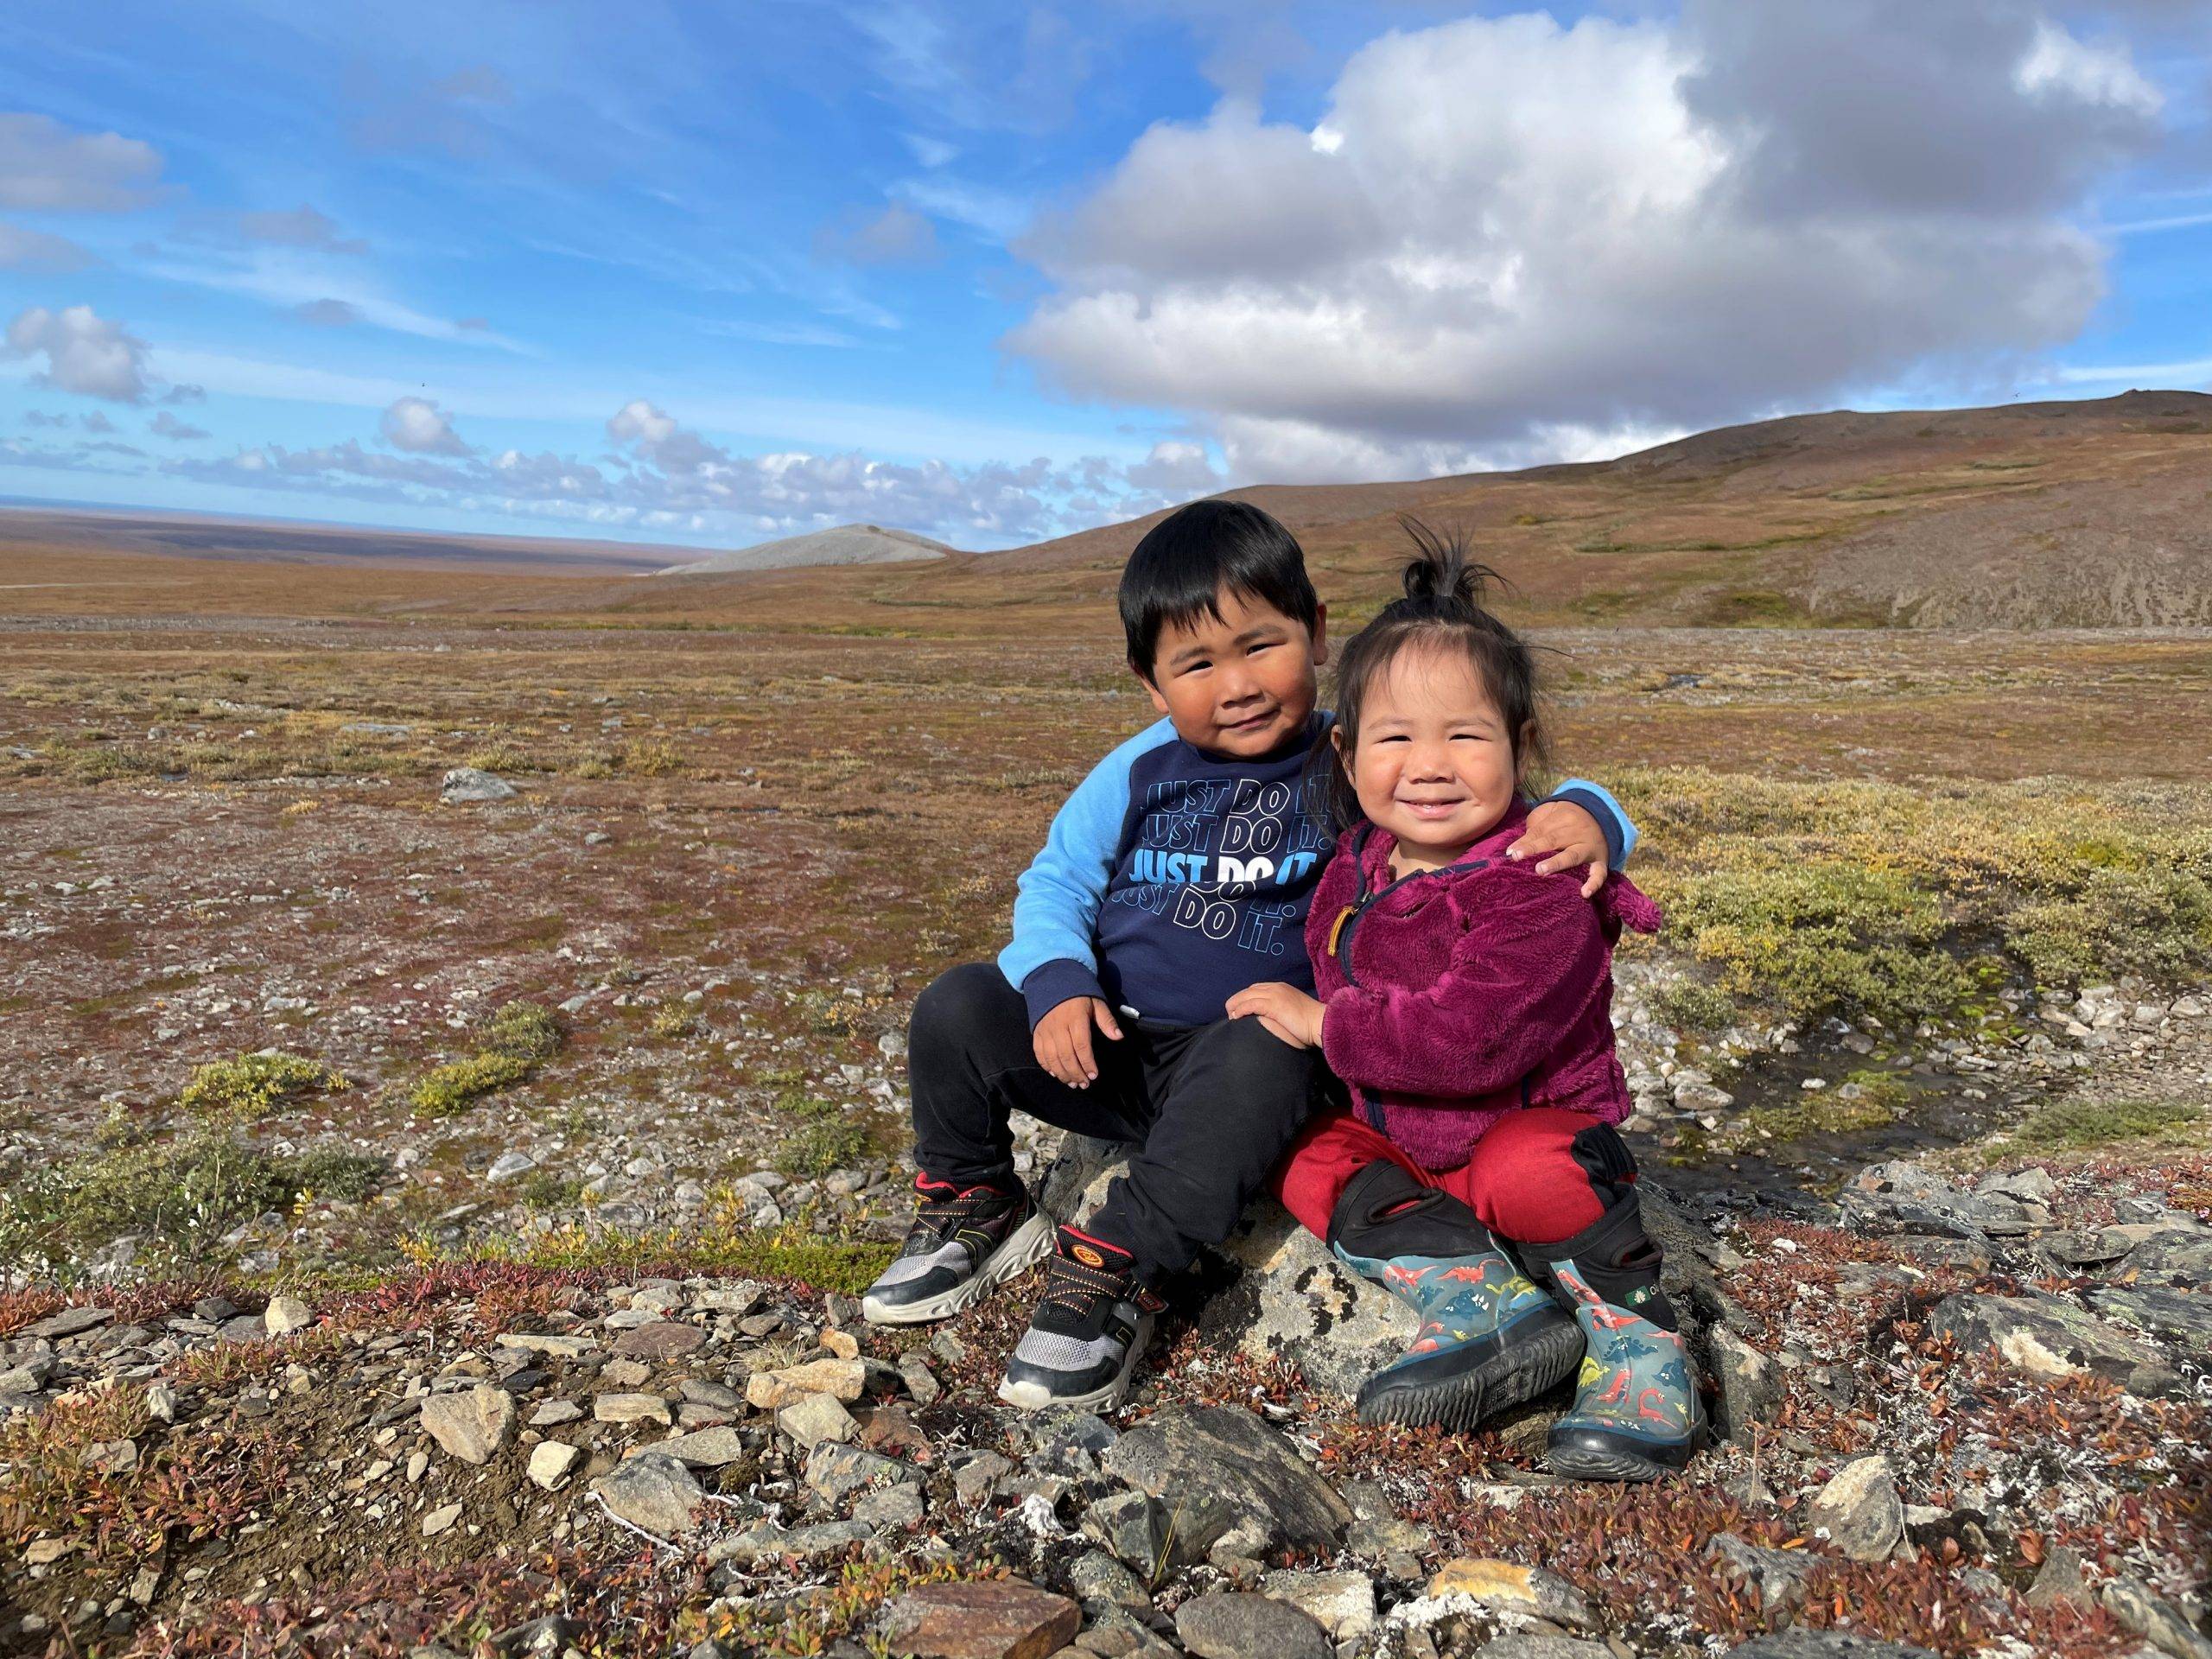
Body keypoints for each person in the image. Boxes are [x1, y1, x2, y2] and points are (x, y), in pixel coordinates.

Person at [861, 499, 1639, 1414]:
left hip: (1247, 1068)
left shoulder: (1359, 753)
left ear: (1314, 634)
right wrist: (1059, 983)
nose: (1236, 685)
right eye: (1195, 664)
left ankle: (1120, 1268)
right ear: (1151, 684)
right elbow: (1058, 881)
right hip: (1112, 1047)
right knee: (957, 1004)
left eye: (1260, 646)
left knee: (1267, 1041)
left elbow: (1482, 787)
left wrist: (1591, 811)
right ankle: (973, 1195)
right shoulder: (1137, 767)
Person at [1230, 521, 1705, 1481]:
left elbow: (1467, 1042)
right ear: (1348, 751)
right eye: (1395, 737)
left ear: (1518, 746)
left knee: (1529, 1166)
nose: (1430, 765)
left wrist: (1325, 1026)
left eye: (1465, 736)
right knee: (1294, 1147)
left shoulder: (1539, 882)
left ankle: (1634, 1333)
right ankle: (1487, 1303)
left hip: (1519, 1137)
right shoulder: (1357, 860)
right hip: (1408, 1150)